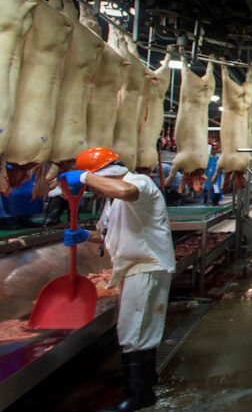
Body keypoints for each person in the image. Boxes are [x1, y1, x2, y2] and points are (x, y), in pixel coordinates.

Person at [58, 147, 175, 412]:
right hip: (134, 268)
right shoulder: (111, 201)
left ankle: (140, 395)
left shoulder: (137, 182)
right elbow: (109, 231)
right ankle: (145, 380)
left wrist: (85, 178)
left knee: (134, 330)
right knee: (137, 327)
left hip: (147, 265)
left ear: (102, 174)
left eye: (95, 182)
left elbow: (126, 192)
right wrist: (87, 237)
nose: (95, 191)